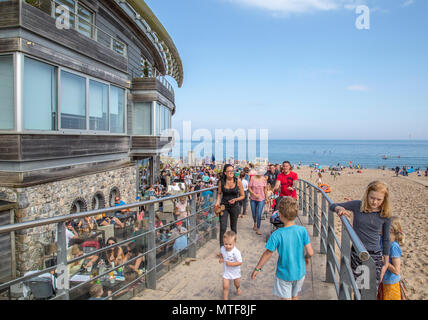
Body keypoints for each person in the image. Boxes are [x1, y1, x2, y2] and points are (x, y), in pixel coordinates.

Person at [329, 181, 392, 289]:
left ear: (384, 199)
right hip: (356, 254)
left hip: (375, 256)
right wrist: (339, 208)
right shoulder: (357, 205)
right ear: (367, 194)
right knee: (358, 289)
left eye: (379, 199)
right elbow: (333, 205)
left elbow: (386, 239)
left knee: (370, 290)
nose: (374, 202)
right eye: (372, 198)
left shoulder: (385, 214)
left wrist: (386, 263)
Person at [251, 197, 314, 300]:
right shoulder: (302, 230)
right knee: (295, 296)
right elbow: (310, 252)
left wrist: (257, 268)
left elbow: (268, 253)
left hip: (284, 274)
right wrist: (306, 258)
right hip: (299, 272)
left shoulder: (276, 234)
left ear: (280, 215)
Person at [215, 164, 245, 249]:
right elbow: (219, 193)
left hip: (235, 206)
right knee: (223, 227)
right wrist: (217, 202)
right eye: (229, 171)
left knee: (233, 227)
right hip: (224, 206)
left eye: (232, 171)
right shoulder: (221, 182)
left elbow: (243, 196)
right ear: (225, 173)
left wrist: (235, 199)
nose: (231, 173)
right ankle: (222, 248)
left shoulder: (238, 181)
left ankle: (232, 247)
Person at [382, 216, 405, 300]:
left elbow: (396, 270)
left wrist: (385, 261)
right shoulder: (383, 240)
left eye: (382, 226)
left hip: (391, 283)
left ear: (390, 230)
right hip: (384, 281)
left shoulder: (393, 246)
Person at [219, 231, 242, 300]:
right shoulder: (222, 248)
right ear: (223, 242)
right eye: (226, 244)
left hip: (235, 271)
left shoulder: (236, 252)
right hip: (227, 271)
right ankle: (225, 299)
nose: (228, 246)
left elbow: (240, 262)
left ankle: (238, 288)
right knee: (225, 286)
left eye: (230, 244)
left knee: (237, 283)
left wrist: (231, 264)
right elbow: (221, 254)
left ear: (234, 242)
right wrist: (221, 258)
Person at [249, 167, 268, 235]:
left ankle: (258, 228)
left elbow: (265, 189)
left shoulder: (264, 179)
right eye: (259, 172)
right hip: (253, 198)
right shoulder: (252, 178)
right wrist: (254, 194)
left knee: (259, 214)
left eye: (261, 173)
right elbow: (249, 188)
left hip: (261, 198)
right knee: (254, 213)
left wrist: (266, 198)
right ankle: (255, 223)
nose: (260, 174)